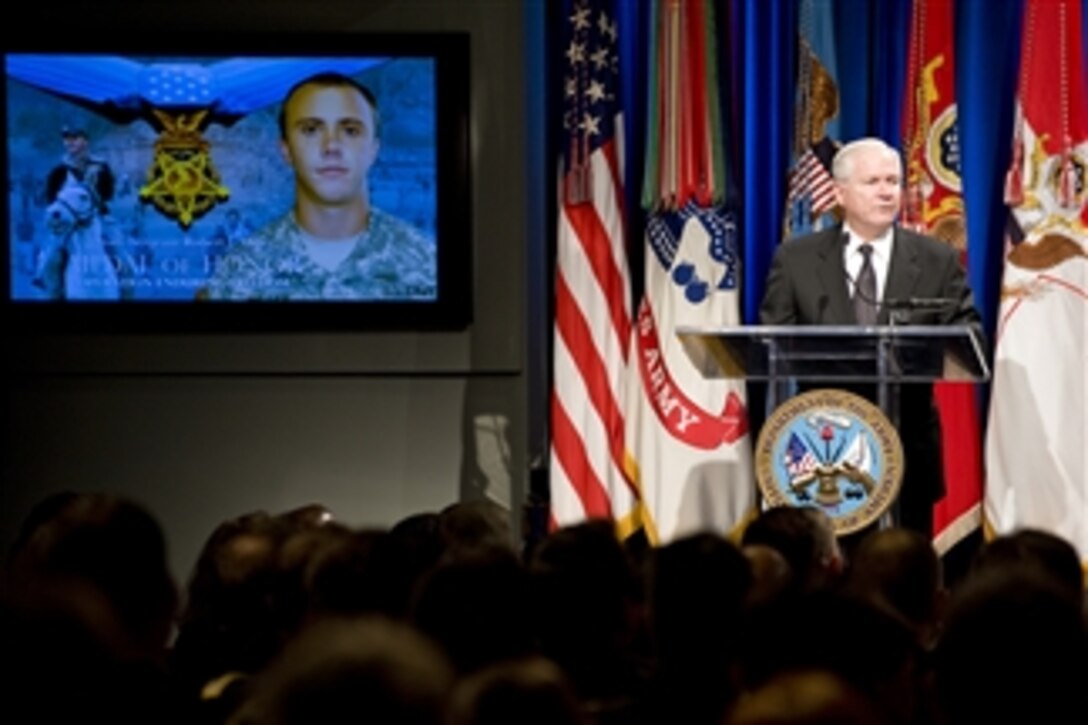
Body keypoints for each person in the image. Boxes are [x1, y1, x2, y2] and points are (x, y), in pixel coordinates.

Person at [759, 137, 984, 539]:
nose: (886, 191)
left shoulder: (937, 259)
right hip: (822, 451)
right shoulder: (796, 259)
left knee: (899, 577)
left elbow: (968, 339)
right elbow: (771, 343)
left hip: (906, 446)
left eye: (893, 181)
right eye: (873, 181)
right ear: (840, 193)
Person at [203, 72, 436, 300]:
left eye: (350, 130)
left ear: (374, 149)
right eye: (311, 130)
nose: (331, 146)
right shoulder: (238, 272)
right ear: (286, 150)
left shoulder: (426, 264)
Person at [45, 124, 115, 214]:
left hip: (97, 218)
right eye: (66, 139)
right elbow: (51, 200)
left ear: (85, 141)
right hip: (69, 222)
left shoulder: (101, 167)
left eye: (75, 138)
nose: (70, 142)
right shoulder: (58, 172)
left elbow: (108, 195)